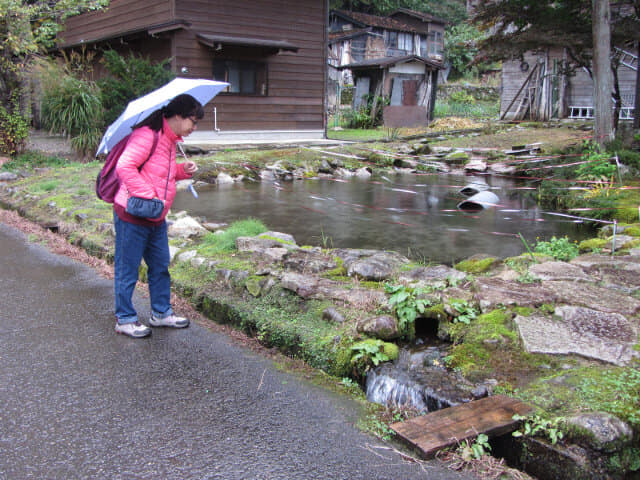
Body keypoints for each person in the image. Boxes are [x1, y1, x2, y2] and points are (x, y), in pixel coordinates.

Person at [112, 94, 202, 338]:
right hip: (132, 214)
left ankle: (161, 314)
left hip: (155, 215)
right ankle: (125, 319)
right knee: (127, 269)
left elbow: (161, 174)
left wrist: (183, 171)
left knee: (160, 266)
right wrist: (147, 194)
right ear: (178, 116)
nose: (194, 128)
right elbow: (125, 167)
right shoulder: (146, 135)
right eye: (193, 122)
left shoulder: (171, 141)